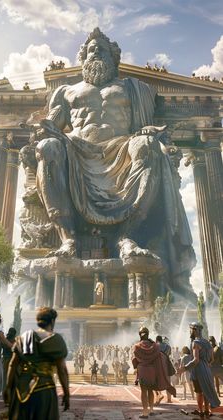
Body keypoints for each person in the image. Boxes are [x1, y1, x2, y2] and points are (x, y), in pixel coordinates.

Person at [27, 27, 195, 298]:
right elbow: (53, 127)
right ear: (82, 58)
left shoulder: (134, 88)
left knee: (148, 146)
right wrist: (42, 130)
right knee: (48, 147)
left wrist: (149, 133)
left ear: (114, 58)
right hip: (77, 150)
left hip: (120, 150)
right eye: (90, 49)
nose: (95, 52)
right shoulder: (66, 92)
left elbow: (142, 126)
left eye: (101, 49)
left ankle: (126, 236)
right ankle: (67, 239)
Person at [5, 307, 69, 420]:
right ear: (52, 321)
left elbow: (12, 364)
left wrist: (8, 387)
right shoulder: (56, 339)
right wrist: (66, 393)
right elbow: (62, 370)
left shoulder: (23, 338)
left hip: (22, 388)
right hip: (44, 388)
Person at [132, 327, 176, 418]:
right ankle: (151, 410)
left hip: (142, 370)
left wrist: (135, 365)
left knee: (144, 392)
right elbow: (158, 357)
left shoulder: (137, 346)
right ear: (148, 334)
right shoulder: (155, 346)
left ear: (140, 334)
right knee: (150, 390)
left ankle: (145, 412)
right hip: (152, 370)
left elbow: (136, 359)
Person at [178, 322, 220, 417]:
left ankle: (201, 411)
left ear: (195, 330)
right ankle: (206, 411)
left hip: (198, 370)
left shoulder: (195, 343)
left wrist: (184, 368)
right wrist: (206, 364)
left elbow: (196, 360)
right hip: (207, 369)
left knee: (199, 392)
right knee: (206, 391)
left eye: (191, 329)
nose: (190, 331)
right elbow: (211, 359)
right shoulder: (207, 343)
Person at [2, 327, 17, 391]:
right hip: (11, 360)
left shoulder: (5, 339)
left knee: (4, 376)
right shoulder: (14, 341)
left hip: (5, 359)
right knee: (11, 375)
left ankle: (4, 389)